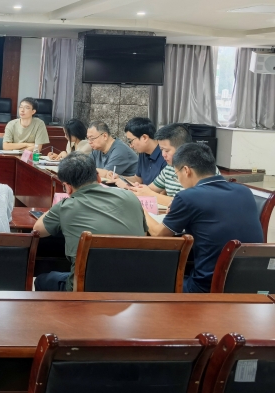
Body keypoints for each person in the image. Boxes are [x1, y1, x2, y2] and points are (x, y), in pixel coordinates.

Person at [144, 143, 263, 293]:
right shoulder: (244, 191)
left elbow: (159, 236)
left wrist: (141, 209)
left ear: (186, 170)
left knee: (149, 278)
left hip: (205, 288)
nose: (178, 179)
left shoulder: (187, 197)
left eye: (176, 174)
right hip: (249, 285)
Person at [32, 152, 147, 291]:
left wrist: (60, 206)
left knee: (42, 280)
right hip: (134, 288)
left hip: (84, 291)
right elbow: (144, 235)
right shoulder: (130, 197)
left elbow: (37, 230)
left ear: (67, 187)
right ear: (98, 177)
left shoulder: (66, 207)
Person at [128, 123, 212, 207]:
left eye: (166, 151)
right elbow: (151, 189)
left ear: (182, 149)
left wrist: (150, 194)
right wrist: (139, 189)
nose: (163, 155)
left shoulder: (200, 169)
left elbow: (187, 202)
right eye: (161, 150)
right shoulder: (169, 167)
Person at [109, 117, 165, 186]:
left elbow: (162, 190)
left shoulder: (165, 155)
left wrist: (128, 187)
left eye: (131, 141)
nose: (131, 146)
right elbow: (138, 179)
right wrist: (119, 177)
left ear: (144, 137)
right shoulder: (143, 152)